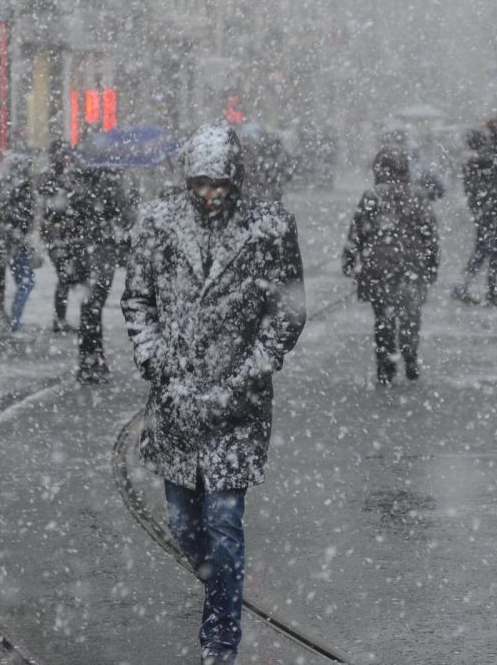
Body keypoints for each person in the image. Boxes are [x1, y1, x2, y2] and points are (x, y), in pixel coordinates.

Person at [122, 125, 306, 665]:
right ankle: (220, 587)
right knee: (183, 524)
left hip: (236, 408)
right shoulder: (158, 223)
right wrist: (156, 362)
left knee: (224, 523)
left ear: (237, 178)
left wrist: (243, 379)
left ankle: (220, 638)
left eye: (219, 182)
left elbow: (287, 314)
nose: (209, 194)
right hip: (176, 404)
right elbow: (137, 301)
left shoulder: (270, 227)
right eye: (200, 183)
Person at [343, 146, 439, 383]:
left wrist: (349, 261)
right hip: (412, 266)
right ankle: (410, 356)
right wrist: (432, 262)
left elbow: (357, 232)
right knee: (410, 315)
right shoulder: (418, 196)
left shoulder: (372, 196)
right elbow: (429, 233)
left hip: (378, 267)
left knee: (383, 319)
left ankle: (385, 365)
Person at [69, 164, 134, 383]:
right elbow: (126, 219)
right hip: (100, 257)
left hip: (84, 257)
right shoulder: (109, 191)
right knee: (94, 309)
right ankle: (93, 361)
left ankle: (88, 361)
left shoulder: (78, 194)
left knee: (89, 310)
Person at [453, 126, 497, 305]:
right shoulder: (481, 160)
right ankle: (490, 290)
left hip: (486, 210)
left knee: (483, 250)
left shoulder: (475, 160)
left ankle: (469, 287)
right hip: (490, 211)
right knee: (493, 250)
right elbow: (494, 167)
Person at [38, 141, 84, 332]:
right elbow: (50, 204)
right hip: (56, 234)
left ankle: (63, 318)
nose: (64, 159)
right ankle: (60, 319)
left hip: (71, 234)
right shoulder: (50, 176)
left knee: (71, 276)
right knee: (65, 276)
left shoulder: (72, 175)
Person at [0, 152, 37, 333]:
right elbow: (21, 216)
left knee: (17, 280)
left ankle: (5, 316)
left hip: (6, 241)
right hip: (16, 242)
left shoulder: (3, 187)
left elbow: (0, 212)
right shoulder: (20, 189)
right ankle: (15, 321)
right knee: (26, 282)